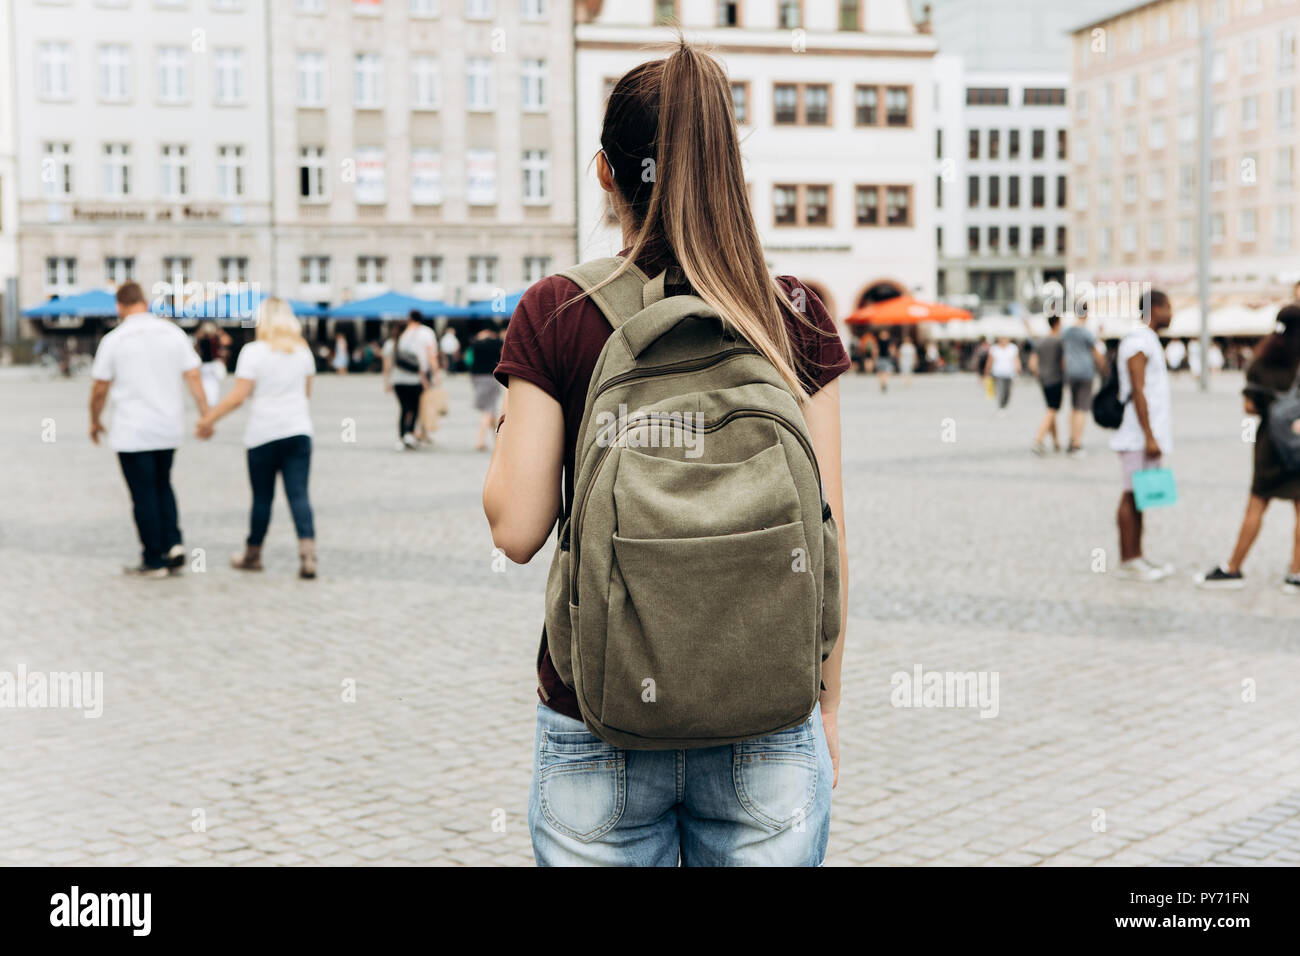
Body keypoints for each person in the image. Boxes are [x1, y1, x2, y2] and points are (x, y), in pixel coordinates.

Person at [482, 42, 848, 866]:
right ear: (728, 168)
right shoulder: (795, 313)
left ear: (605, 173)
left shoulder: (556, 311)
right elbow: (827, 525)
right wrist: (826, 708)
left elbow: (515, 529)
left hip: (599, 714)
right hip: (767, 716)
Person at [89, 281, 210, 578]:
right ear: (144, 301)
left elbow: (99, 389)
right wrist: (205, 414)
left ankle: (153, 558)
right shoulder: (173, 333)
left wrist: (94, 419)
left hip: (132, 430)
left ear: (119, 306)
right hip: (167, 426)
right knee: (163, 484)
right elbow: (194, 376)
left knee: (142, 493)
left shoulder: (115, 340)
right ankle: (174, 543)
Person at [196, 299, 318, 579]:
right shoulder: (303, 353)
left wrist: (207, 420)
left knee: (262, 497)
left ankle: (253, 554)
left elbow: (238, 397)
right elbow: (306, 393)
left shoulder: (253, 352)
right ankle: (308, 555)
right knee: (299, 494)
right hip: (298, 431)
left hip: (263, 434)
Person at [1196, 306, 1300, 591]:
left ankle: (1233, 567)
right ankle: (1296, 574)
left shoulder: (1262, 359)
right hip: (1298, 442)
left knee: (1256, 504)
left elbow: (1249, 405)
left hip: (1269, 442)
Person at [1112, 289, 1175, 582]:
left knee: (1139, 496)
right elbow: (1138, 391)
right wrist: (1149, 436)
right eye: (1169, 307)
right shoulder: (1138, 341)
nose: (1172, 314)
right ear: (1156, 308)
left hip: (1143, 433)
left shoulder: (1147, 339)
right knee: (1131, 493)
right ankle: (1128, 559)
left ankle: (1136, 555)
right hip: (1136, 434)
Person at [381, 311, 438, 450]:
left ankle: (401, 437)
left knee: (404, 408)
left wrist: (387, 381)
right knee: (414, 408)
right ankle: (410, 434)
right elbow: (420, 363)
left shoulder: (391, 344)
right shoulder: (414, 340)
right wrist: (428, 378)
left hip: (398, 381)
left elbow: (387, 365)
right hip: (415, 380)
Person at [1061, 303, 1108, 458]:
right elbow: (1096, 353)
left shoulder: (1066, 332)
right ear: (1086, 314)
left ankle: (1071, 438)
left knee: (1074, 407)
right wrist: (1103, 368)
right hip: (1085, 372)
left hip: (1071, 372)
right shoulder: (1087, 333)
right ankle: (1077, 443)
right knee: (1082, 408)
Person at [1029, 312, 1065, 454]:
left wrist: (1039, 374)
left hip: (1044, 380)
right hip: (1055, 378)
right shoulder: (1058, 341)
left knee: (1051, 409)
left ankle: (1056, 442)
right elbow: (1063, 363)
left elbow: (1032, 364)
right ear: (1058, 323)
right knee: (1052, 409)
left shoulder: (1041, 341)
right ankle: (1039, 439)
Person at [469, 327, 504, 451]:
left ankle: (498, 439)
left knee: (491, 409)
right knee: (488, 409)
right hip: (491, 377)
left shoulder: (476, 344)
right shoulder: (497, 343)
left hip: (476, 378)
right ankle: (480, 440)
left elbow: (472, 343)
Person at [983, 335, 1020, 414]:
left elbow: (1016, 359)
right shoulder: (994, 348)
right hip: (998, 372)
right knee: (1000, 390)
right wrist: (987, 370)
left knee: (1007, 391)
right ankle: (1001, 406)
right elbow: (990, 360)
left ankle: (1004, 405)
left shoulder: (1013, 348)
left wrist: (1018, 368)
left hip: (1009, 373)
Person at [194, 321, 228, 406]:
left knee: (206, 383)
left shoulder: (200, 340)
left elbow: (197, 350)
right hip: (212, 364)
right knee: (213, 384)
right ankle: (212, 401)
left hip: (204, 365)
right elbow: (227, 341)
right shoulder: (215, 340)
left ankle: (208, 400)